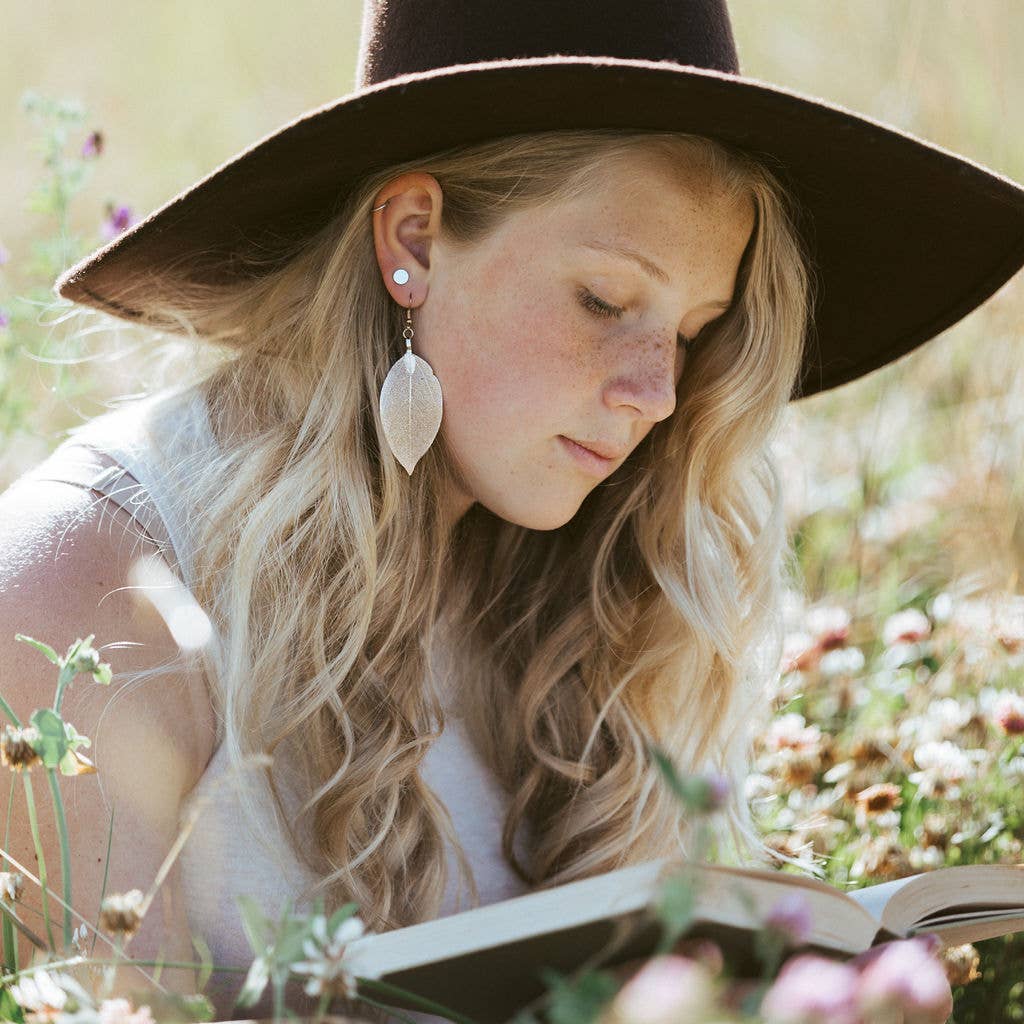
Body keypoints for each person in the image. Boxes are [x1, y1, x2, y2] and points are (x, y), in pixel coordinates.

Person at [2, 2, 1022, 1022]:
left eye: (694, 330)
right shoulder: (92, 581)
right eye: (604, 301)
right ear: (414, 241)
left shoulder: (614, 589)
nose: (657, 393)